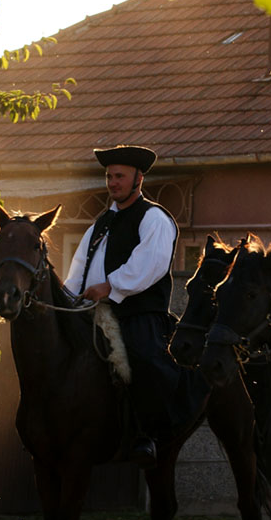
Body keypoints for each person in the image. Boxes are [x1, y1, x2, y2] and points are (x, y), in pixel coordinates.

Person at [63, 144, 205, 467]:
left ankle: (149, 434)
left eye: (120, 176)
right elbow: (79, 269)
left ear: (138, 179)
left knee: (144, 357)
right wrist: (68, 299)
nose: (113, 182)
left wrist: (111, 286)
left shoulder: (154, 218)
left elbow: (149, 265)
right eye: (109, 176)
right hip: (93, 313)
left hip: (138, 314)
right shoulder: (99, 224)